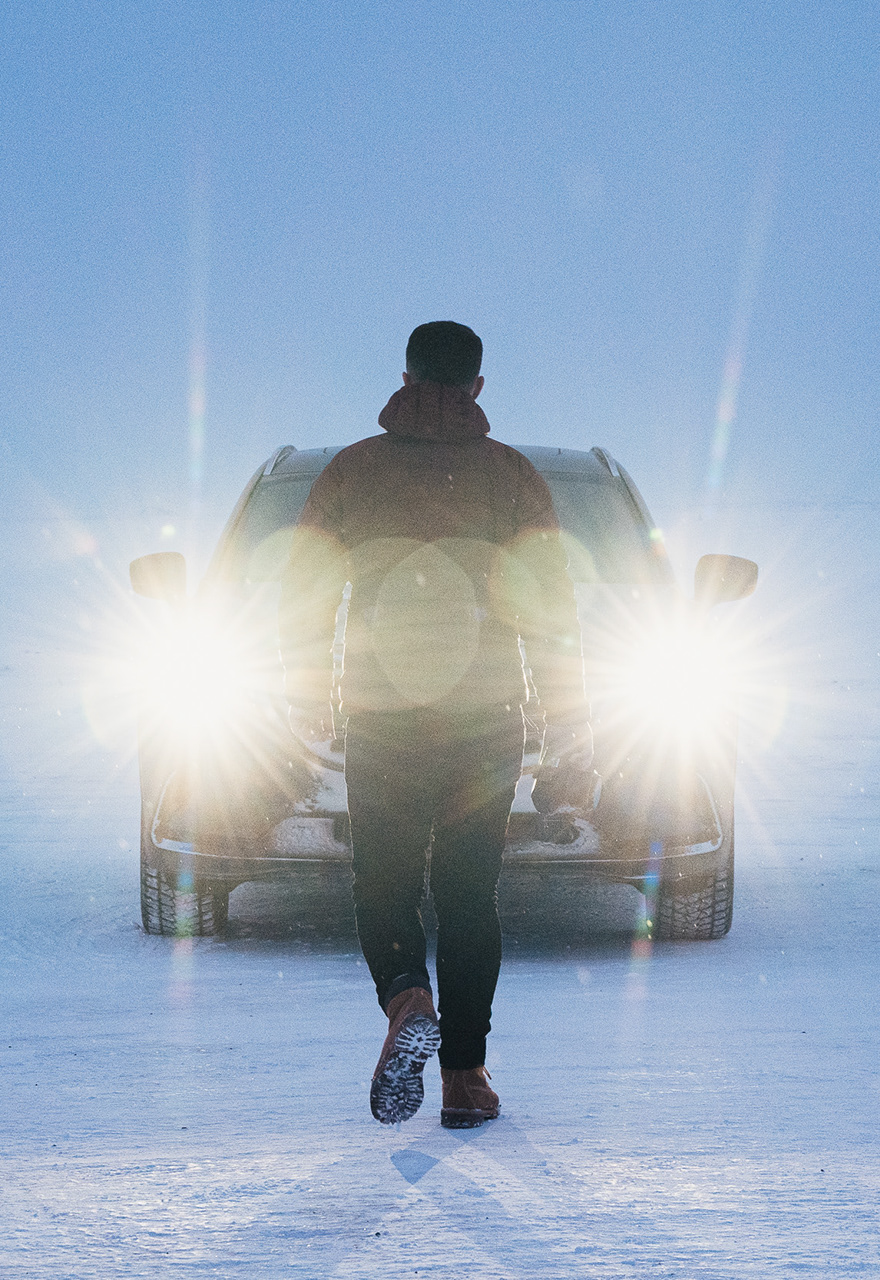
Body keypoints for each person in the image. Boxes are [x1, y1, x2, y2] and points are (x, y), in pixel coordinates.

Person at [279, 321, 592, 1127]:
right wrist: (566, 726)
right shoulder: (511, 477)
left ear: (406, 376)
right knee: (467, 896)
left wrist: (308, 687)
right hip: (485, 723)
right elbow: (552, 618)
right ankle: (464, 1077)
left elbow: (304, 593)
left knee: (380, 880)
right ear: (479, 388)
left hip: (381, 716)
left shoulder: (353, 471)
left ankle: (404, 997)